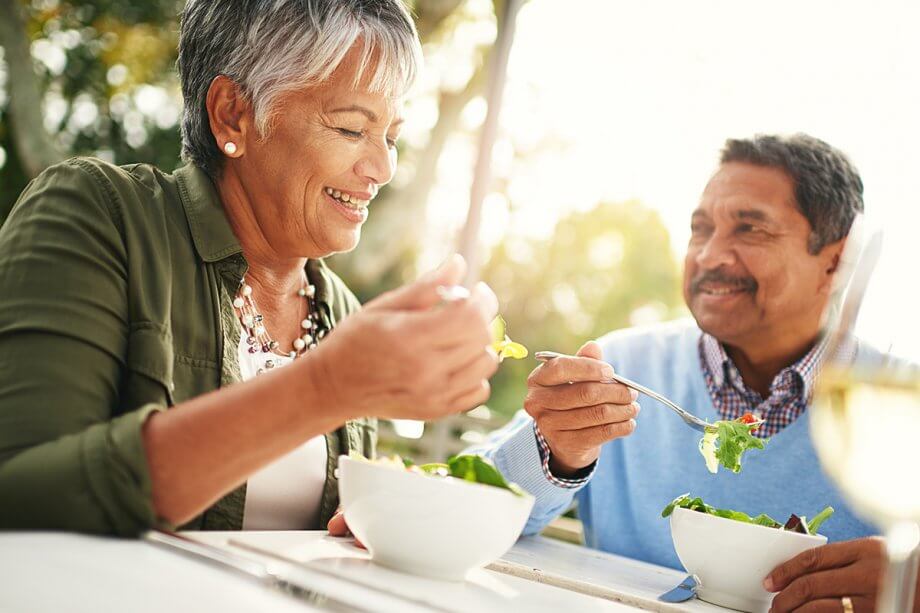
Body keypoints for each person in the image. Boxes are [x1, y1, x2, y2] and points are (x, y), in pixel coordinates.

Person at [0, 0, 499, 536]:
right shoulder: (100, 215)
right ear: (231, 114)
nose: (382, 168)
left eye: (391, 136)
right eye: (353, 129)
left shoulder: (343, 314)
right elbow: (20, 490)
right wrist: (324, 386)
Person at [473, 134, 919, 612]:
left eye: (750, 230)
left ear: (836, 259)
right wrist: (557, 454)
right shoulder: (621, 368)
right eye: (700, 228)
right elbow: (469, 505)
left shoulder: (893, 402)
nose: (709, 256)